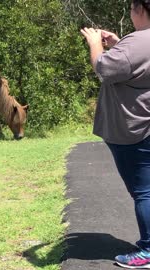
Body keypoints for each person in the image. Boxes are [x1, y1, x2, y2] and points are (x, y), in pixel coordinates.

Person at [80, 0, 150, 268]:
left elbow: (105, 69)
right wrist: (119, 43)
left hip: (135, 129)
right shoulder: (136, 43)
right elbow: (135, 64)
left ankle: (148, 251)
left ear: (140, 10)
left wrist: (95, 44)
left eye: (132, 8)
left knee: (144, 191)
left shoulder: (138, 42)